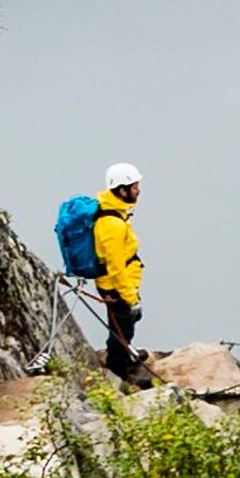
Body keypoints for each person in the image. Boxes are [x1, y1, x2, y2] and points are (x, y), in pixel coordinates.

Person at [92, 162, 147, 383]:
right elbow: (115, 267)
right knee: (121, 330)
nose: (138, 190)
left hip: (121, 283)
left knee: (125, 326)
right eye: (134, 186)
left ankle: (125, 356)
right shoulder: (112, 223)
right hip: (116, 287)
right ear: (122, 190)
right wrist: (130, 298)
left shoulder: (115, 213)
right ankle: (119, 374)